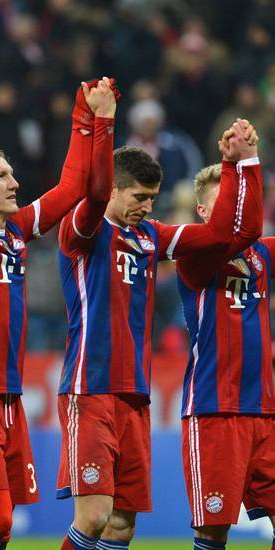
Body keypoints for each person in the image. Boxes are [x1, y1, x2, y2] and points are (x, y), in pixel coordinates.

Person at [0, 64, 118, 549]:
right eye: (2, 176)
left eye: (11, 174)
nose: (14, 183)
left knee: (2, 525)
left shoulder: (15, 232)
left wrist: (84, 118)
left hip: (7, 394)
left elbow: (70, 189)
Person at [56, 120, 261, 549]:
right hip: (90, 387)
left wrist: (231, 165)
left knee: (121, 526)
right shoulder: (85, 230)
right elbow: (93, 193)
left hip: (135, 393)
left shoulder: (151, 236)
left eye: (152, 198)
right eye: (139, 197)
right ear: (113, 189)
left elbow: (221, 235)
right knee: (94, 517)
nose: (148, 207)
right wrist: (102, 122)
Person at [176, 130, 275, 550]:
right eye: (225, 200)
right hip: (215, 409)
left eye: (239, 200)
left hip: (265, 411)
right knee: (214, 532)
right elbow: (240, 229)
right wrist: (244, 162)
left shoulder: (262, 254)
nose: (235, 209)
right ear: (202, 210)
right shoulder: (193, 254)